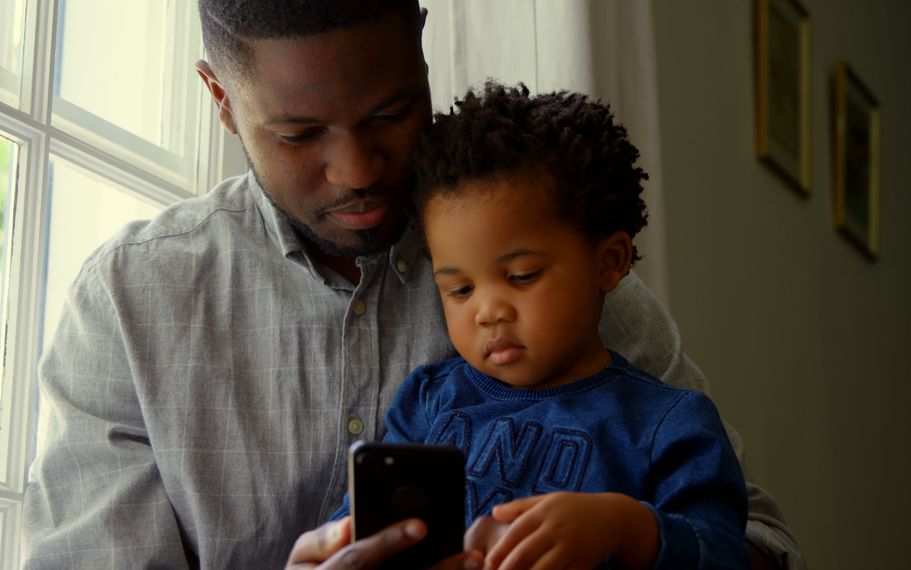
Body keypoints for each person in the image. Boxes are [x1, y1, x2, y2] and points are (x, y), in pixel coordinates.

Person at [20, 1, 803, 569]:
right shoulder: (126, 305)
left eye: (391, 113)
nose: (357, 170)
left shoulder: (570, 284)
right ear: (221, 100)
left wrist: (632, 536)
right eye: (299, 135)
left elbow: (758, 546)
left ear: (423, 44)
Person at [330, 81, 751, 569]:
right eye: (460, 290)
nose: (488, 311)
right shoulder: (427, 403)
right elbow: (352, 537)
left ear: (610, 262)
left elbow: (724, 555)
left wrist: (624, 527)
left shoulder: (667, 425)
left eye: (521, 276)